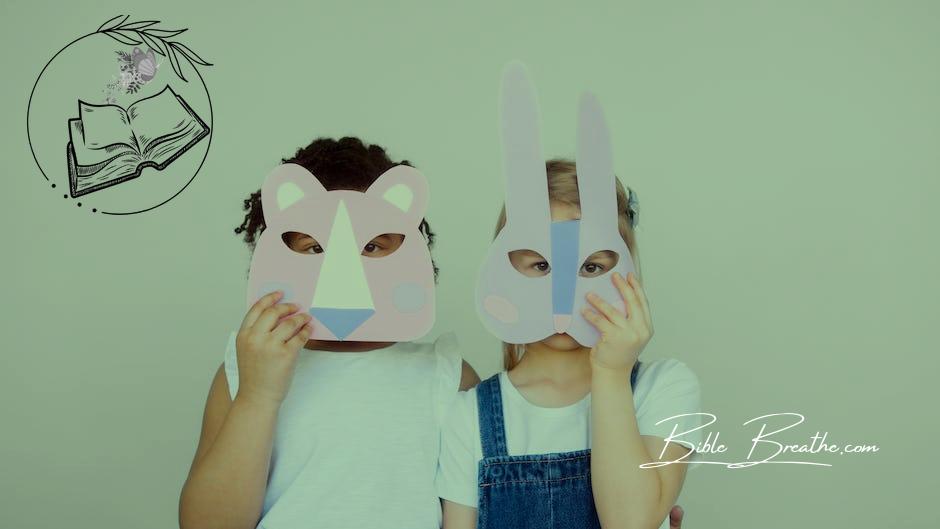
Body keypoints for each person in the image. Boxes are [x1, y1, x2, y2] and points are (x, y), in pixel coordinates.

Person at [178, 136, 480, 529]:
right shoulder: (244, 371)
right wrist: (259, 395)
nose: (343, 274)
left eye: (373, 246)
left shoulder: (446, 374)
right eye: (312, 247)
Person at [437, 159, 703, 529]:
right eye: (541, 266)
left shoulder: (664, 388)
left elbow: (630, 524)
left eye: (591, 268)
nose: (564, 296)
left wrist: (611, 372)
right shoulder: (468, 416)